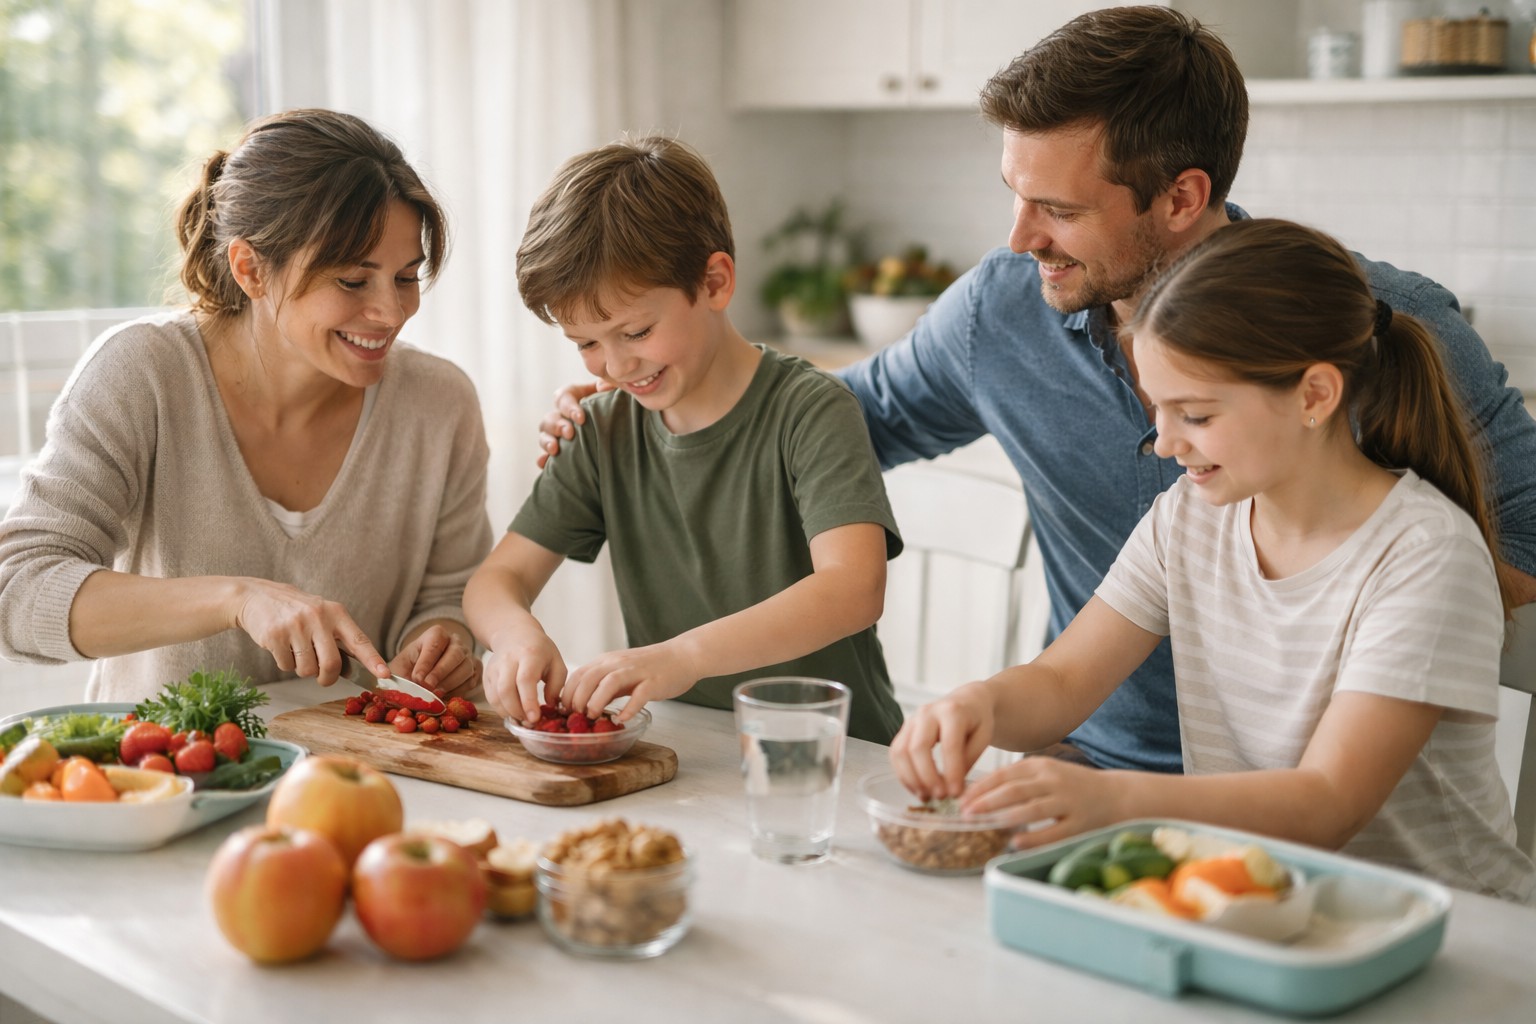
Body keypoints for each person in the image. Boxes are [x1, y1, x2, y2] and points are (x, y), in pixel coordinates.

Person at [536, 6, 1536, 774]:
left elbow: (1522, 544)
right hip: (1090, 756)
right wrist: (652, 395)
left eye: (1056, 208)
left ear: (1182, 198)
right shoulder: (1004, 309)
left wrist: (1304, 628)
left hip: (1318, 788)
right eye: (1013, 196)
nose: (1019, 241)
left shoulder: (1375, 329)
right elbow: (842, 423)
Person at [892, 218, 1534, 902]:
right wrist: (978, 703)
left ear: (1315, 395)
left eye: (1195, 415)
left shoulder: (1424, 555)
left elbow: (1327, 803)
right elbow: (1060, 682)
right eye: (1159, 409)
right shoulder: (1193, 518)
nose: (1165, 444)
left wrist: (1116, 800)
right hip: (1268, 903)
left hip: (1450, 931)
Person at [0, 108, 493, 702]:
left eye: (407, 277)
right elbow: (19, 592)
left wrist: (442, 641)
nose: (391, 313)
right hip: (163, 779)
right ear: (251, 269)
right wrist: (236, 600)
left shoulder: (440, 404)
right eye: (353, 282)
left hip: (359, 782)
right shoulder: (142, 375)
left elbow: (449, 597)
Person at [462, 135, 905, 743]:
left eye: (636, 331)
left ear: (716, 282)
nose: (613, 366)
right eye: (586, 344)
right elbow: (495, 581)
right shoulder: (602, 430)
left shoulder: (812, 411)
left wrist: (681, 658)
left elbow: (853, 589)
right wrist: (516, 635)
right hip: (692, 754)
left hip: (836, 758)